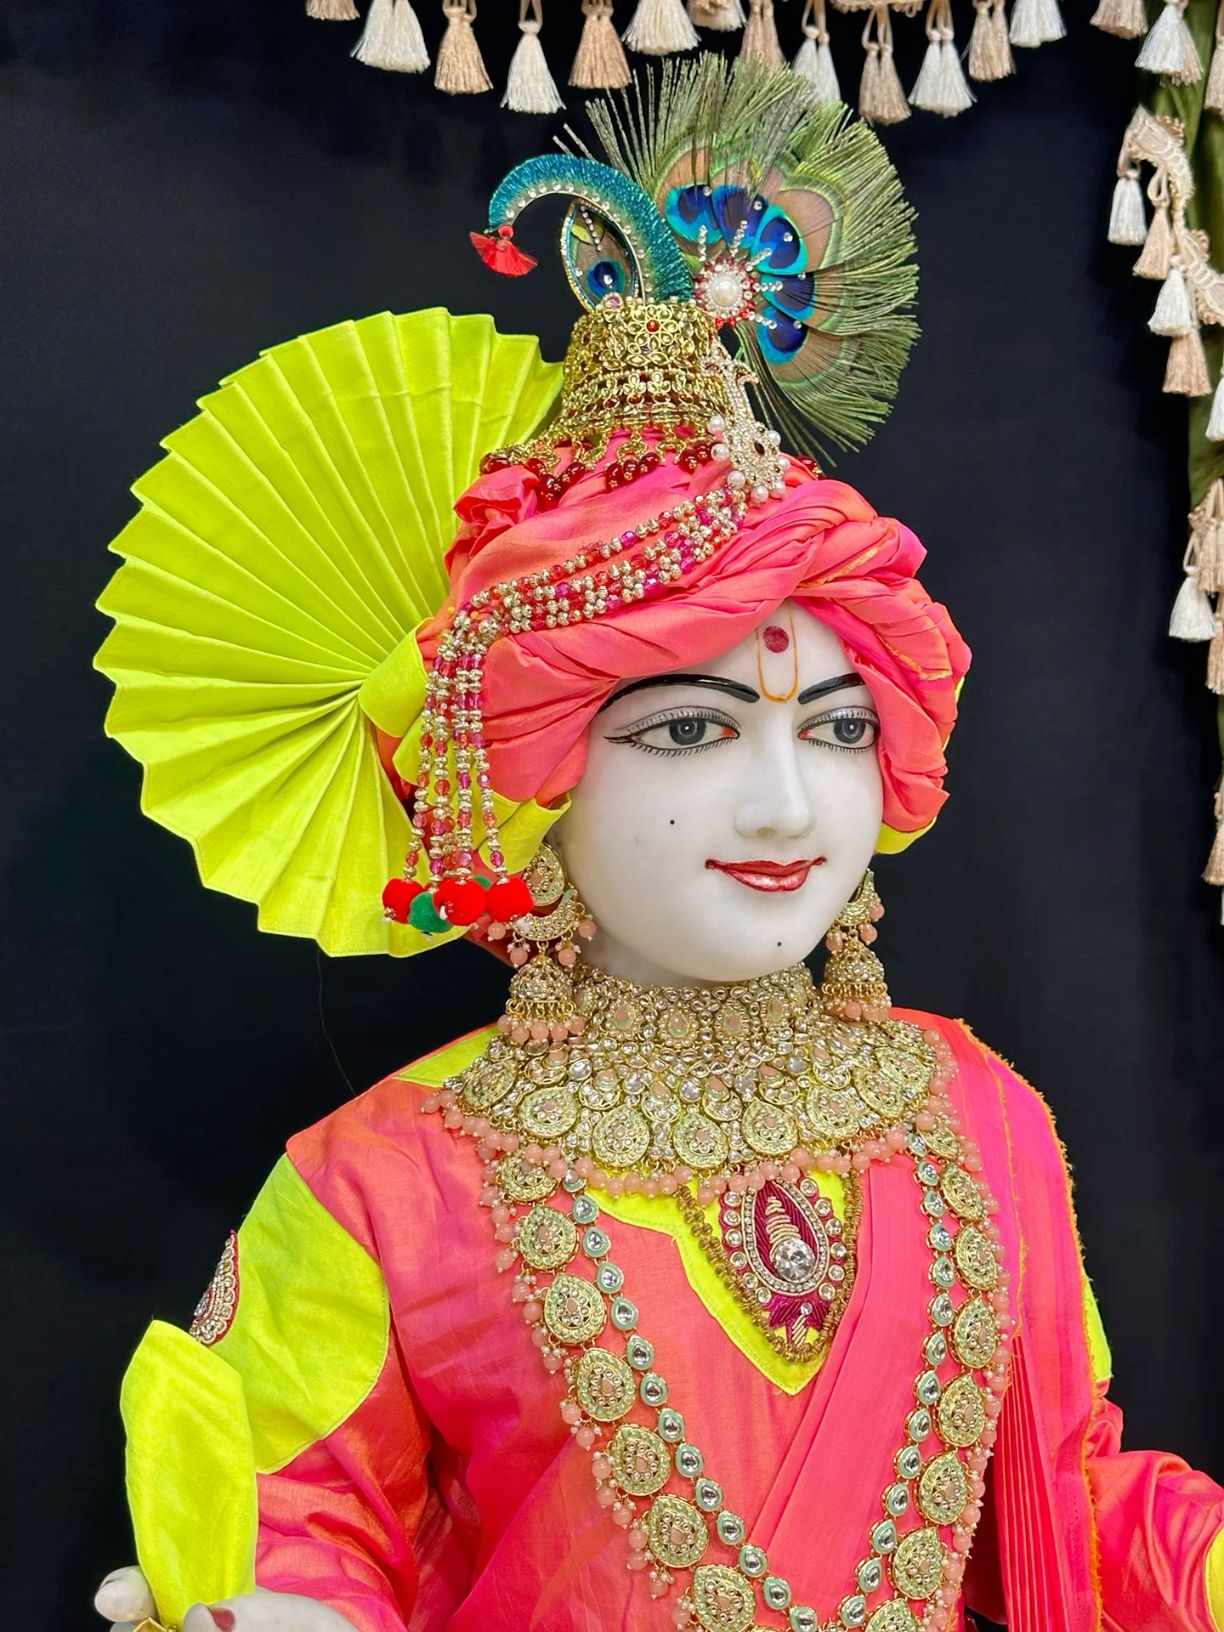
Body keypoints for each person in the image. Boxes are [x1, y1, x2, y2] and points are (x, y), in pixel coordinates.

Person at [91, 60, 1224, 1632]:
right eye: (689, 731)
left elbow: (1076, 1501)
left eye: (835, 727)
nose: (787, 805)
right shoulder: (382, 1189)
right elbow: (292, 1515)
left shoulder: (982, 1115)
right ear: (531, 781)